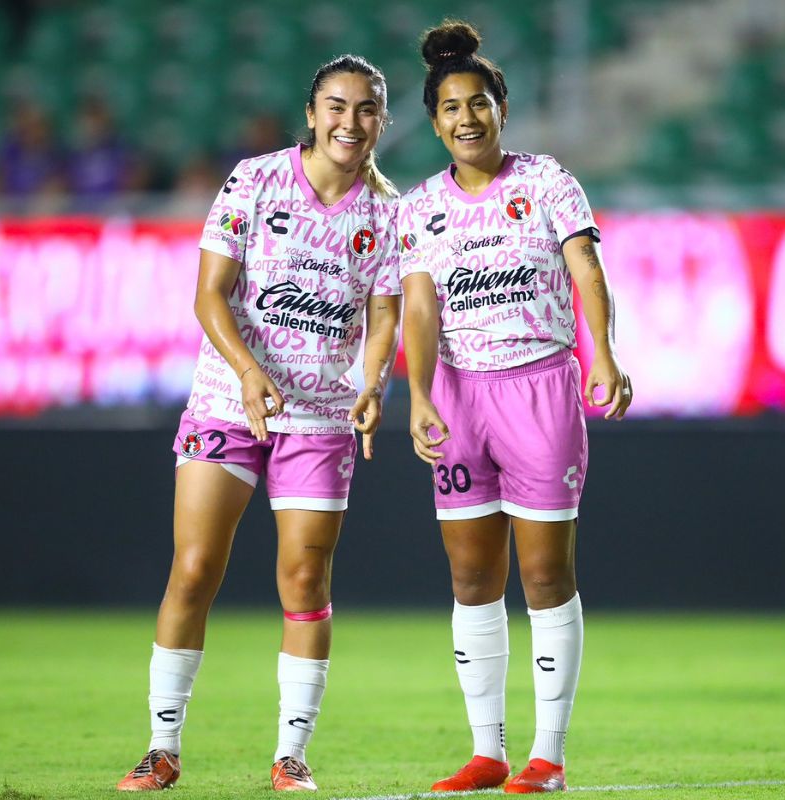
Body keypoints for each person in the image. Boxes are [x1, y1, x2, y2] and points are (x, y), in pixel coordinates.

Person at [116, 54, 401, 793]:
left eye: (366, 108)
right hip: (226, 397)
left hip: (322, 415)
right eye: (336, 106)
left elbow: (382, 317)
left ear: (382, 122)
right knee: (194, 569)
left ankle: (291, 756)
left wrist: (373, 384)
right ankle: (162, 745)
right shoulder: (255, 179)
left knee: (305, 578)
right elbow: (210, 294)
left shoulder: (387, 214)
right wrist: (247, 372)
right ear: (311, 114)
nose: (350, 120)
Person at [397, 21, 632, 794]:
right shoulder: (420, 208)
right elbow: (421, 312)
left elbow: (586, 269)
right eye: (451, 108)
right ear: (434, 122)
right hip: (461, 399)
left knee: (543, 575)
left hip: (539, 388)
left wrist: (602, 352)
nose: (466, 118)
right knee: (471, 580)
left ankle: (549, 755)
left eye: (480, 104)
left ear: (503, 110)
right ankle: (488, 750)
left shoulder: (547, 182)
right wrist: (421, 395)